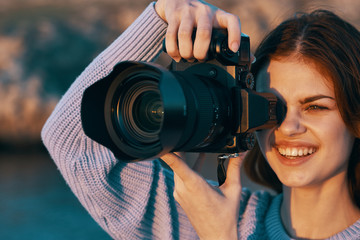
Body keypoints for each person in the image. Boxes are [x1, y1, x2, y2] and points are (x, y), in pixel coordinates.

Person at [41, 0, 360, 239]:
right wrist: (159, 17)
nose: (288, 127)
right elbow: (70, 141)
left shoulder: (214, 224)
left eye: (316, 107)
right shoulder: (210, 213)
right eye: (270, 106)